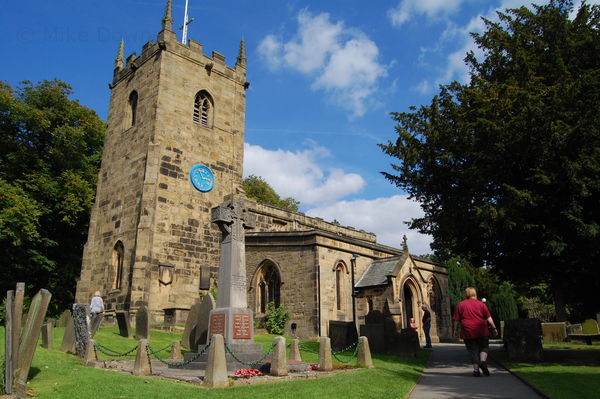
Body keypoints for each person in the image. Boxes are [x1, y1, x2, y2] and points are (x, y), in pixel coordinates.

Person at [453, 287, 498, 377]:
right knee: (484, 347)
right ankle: (483, 361)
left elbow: (457, 320)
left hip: (468, 331)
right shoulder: (481, 304)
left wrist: (455, 330)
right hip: (482, 330)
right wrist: (494, 328)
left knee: (472, 350)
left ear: (466, 294)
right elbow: (488, 317)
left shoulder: (461, 305)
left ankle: (476, 371)